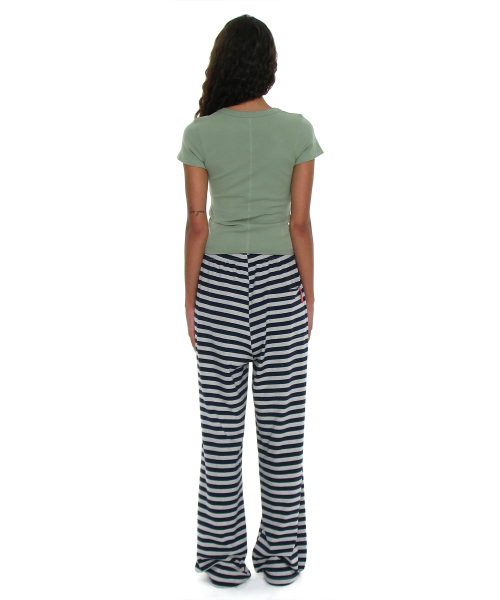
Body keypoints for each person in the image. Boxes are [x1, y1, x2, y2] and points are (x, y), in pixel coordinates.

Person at [177, 14, 324, 589]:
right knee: (282, 433)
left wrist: (190, 297)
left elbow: (197, 224)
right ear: (268, 66)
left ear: (222, 63)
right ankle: (281, 560)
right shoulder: (297, 130)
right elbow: (299, 223)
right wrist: (308, 292)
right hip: (280, 287)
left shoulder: (200, 134)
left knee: (220, 435)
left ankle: (222, 559)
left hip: (217, 285)